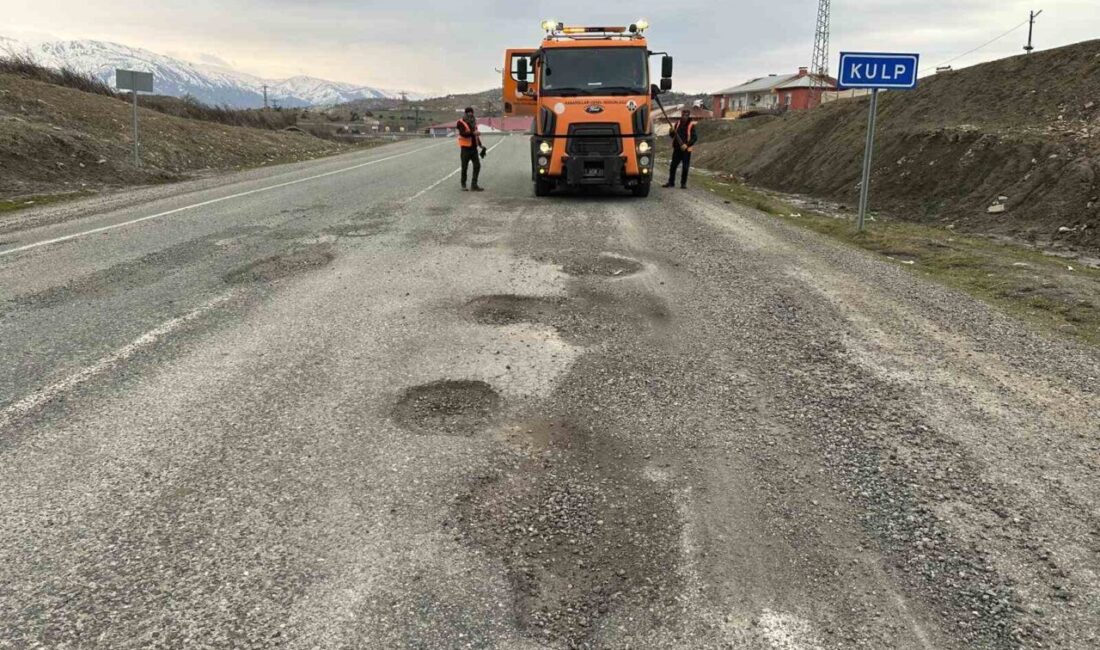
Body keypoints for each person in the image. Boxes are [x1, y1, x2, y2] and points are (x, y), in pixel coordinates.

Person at [663, 109, 698, 189]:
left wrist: (686, 145)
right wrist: (671, 131)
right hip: (677, 149)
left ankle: (683, 184)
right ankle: (671, 182)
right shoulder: (677, 123)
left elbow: (694, 138)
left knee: (685, 167)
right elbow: (673, 136)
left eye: (686, 115)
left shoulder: (691, 125)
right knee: (673, 166)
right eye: (683, 115)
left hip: (686, 150)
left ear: (688, 116)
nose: (685, 116)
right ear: (681, 115)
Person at [456, 107, 488, 191]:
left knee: (477, 166)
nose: (470, 113)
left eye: (471, 112)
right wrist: (473, 133)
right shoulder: (460, 122)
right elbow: (463, 134)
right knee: (464, 167)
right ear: (465, 113)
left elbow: (476, 136)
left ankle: (474, 185)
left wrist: (480, 145)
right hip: (465, 149)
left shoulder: (474, 123)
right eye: (468, 112)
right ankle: (463, 184)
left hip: (474, 149)